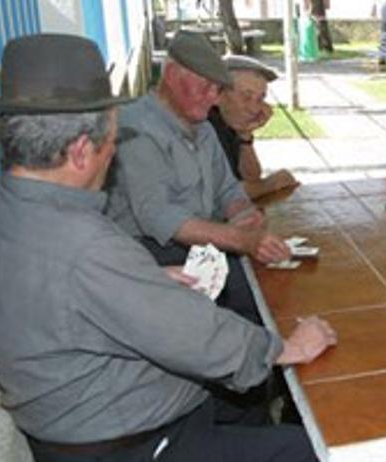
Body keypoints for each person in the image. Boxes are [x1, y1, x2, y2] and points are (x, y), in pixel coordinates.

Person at [0, 33, 337, 462]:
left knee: (251, 410)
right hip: (131, 457)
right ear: (82, 150)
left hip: (94, 425)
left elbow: (63, 295)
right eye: (109, 144)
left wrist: (141, 281)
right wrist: (285, 348)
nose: (112, 156)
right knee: (321, 459)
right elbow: (197, 337)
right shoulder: (86, 244)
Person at [106, 31, 290, 326]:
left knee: (276, 289)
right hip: (149, 260)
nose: (212, 98)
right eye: (204, 87)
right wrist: (240, 239)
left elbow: (228, 189)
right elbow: (160, 217)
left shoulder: (202, 126)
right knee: (263, 306)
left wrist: (245, 215)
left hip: (201, 249)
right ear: (170, 75)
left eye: (217, 89)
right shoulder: (136, 128)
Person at [208, 54, 299, 201]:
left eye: (260, 98)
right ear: (217, 94)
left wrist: (245, 135)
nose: (254, 108)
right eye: (246, 96)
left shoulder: (229, 122)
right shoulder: (200, 127)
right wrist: (269, 185)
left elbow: (251, 177)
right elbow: (217, 195)